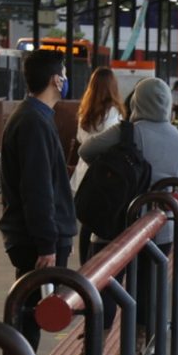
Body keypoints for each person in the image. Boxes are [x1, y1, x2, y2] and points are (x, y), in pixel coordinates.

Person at [76, 77, 178, 355]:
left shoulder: (128, 132)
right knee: (148, 290)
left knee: (105, 285)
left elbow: (85, 151)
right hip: (160, 227)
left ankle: (92, 350)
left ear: (137, 101)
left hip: (118, 223)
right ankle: (135, 349)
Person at [0, 48, 75, 355]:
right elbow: (38, 188)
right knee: (28, 316)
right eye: (62, 74)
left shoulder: (34, 118)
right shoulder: (33, 122)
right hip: (36, 241)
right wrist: (47, 242)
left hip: (37, 237)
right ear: (54, 79)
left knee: (30, 316)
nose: (64, 80)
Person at [70, 67, 125, 265]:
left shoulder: (85, 109)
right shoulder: (113, 112)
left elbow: (80, 139)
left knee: (86, 220)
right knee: (97, 222)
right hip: (102, 174)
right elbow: (112, 141)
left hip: (84, 170)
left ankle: (85, 265)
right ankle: (92, 266)